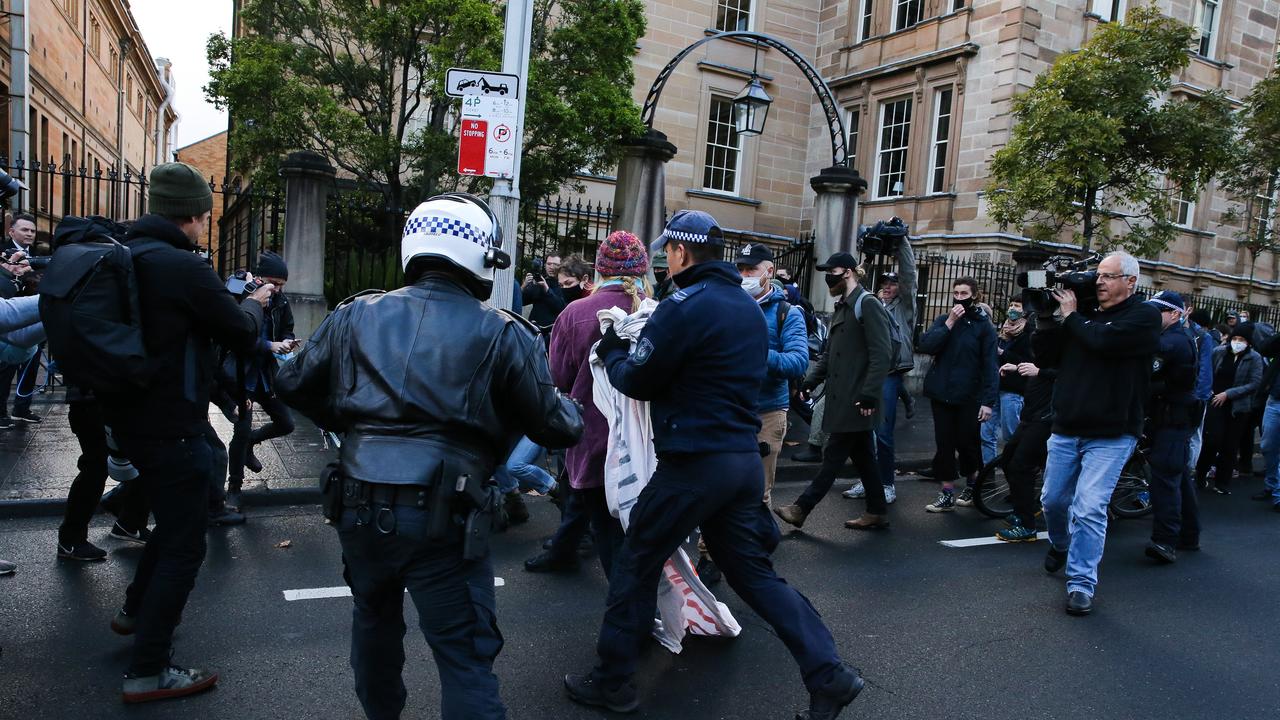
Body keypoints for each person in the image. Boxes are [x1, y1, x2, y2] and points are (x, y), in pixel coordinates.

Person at [277, 192, 583, 720]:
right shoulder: (504, 330)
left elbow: (293, 381)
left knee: (373, 624)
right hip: (445, 515)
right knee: (464, 656)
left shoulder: (354, 314)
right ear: (483, 254)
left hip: (358, 505)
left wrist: (353, 422)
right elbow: (557, 425)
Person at [564, 210, 863, 719]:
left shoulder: (683, 305)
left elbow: (638, 379)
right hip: (740, 462)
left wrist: (612, 351)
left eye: (668, 254)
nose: (664, 262)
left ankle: (612, 681)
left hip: (693, 465)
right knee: (754, 575)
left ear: (681, 253)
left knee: (635, 562)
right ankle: (829, 675)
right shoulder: (746, 308)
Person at [96, 162, 273, 702]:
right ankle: (151, 667)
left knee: (168, 526)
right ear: (195, 215)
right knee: (183, 544)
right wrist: (252, 303)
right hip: (174, 420)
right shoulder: (182, 266)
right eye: (204, 218)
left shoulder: (129, 253)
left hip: (133, 416)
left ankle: (133, 614)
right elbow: (239, 331)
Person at [1031, 251, 1161, 616]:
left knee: (1089, 507)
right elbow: (1047, 357)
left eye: (1107, 275)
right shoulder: (1083, 317)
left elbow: (1102, 342)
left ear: (1130, 282)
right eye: (1097, 275)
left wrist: (1072, 317)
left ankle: (1081, 583)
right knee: (1053, 501)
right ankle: (1060, 544)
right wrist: (1045, 319)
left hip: (1113, 432)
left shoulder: (1144, 316)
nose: (1098, 281)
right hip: (1068, 426)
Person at [525, 231, 648, 576]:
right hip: (645, 440)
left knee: (608, 533)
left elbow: (559, 377)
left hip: (591, 434)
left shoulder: (576, 312)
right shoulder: (655, 311)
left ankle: (627, 617)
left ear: (599, 269)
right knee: (632, 528)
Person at [698, 242, 807, 580]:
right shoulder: (727, 306)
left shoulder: (788, 313)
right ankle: (709, 554)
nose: (744, 276)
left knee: (755, 491)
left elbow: (798, 360)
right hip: (727, 411)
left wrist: (756, 355)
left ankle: (748, 552)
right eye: (741, 270)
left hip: (766, 414)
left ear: (769, 272)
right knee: (716, 486)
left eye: (751, 270)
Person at [776, 252, 893, 531]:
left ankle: (801, 508)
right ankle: (876, 510)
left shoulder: (868, 304)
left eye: (834, 271)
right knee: (864, 458)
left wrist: (869, 394)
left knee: (833, 456)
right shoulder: (843, 306)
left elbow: (882, 354)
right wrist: (809, 382)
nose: (829, 276)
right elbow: (829, 355)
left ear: (849, 272)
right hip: (842, 396)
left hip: (856, 399)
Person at [224, 251, 298, 513]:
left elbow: (287, 326)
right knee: (240, 429)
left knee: (286, 422)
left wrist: (287, 341)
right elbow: (237, 336)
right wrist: (271, 345)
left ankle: (250, 444)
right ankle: (234, 489)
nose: (276, 289)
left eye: (281, 285)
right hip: (242, 374)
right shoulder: (241, 294)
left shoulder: (281, 301)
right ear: (258, 277)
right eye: (272, 283)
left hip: (266, 374)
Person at [844, 238, 916, 505]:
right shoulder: (871, 302)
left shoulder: (906, 307)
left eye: (892, 284)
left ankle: (886, 483)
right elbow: (853, 283)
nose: (887, 287)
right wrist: (868, 259)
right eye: (884, 283)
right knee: (864, 431)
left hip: (890, 373)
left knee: (883, 433)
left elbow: (909, 276)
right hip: (868, 371)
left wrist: (903, 245)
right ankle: (868, 479)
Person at [919, 278, 998, 512]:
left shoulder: (984, 327)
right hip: (942, 392)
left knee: (967, 444)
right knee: (944, 445)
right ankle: (946, 492)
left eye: (964, 293)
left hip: (969, 396)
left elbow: (990, 366)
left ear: (974, 295)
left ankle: (973, 485)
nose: (959, 297)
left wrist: (988, 402)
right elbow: (927, 346)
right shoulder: (944, 320)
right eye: (956, 292)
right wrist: (950, 323)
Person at [1143, 291, 1202, 563]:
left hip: (1172, 418)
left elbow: (1150, 376)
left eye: (1158, 312)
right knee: (1177, 477)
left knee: (1165, 479)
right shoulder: (1176, 338)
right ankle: (1188, 535)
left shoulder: (1173, 342)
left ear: (1175, 314)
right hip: (1172, 416)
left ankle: (1165, 541)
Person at [1195, 323, 1263, 495]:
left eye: (1241, 340)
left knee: (1230, 445)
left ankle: (1222, 482)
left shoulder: (1254, 358)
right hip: (1215, 402)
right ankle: (1201, 474)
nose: (1237, 342)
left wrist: (1229, 394)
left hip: (1238, 407)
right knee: (1212, 440)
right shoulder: (1219, 352)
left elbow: (1254, 383)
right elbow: (1206, 371)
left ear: (1248, 342)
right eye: (1235, 339)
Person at [0, 213, 44, 426]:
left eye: (32, 230)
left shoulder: (41, 255)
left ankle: (22, 408)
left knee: (30, 367)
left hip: (33, 322)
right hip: (8, 322)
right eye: (25, 229)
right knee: (5, 370)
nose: (29, 234)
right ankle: (0, 412)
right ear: (11, 232)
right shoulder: (2, 253)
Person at [981, 299, 1032, 464]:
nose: (1012, 308)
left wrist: (1002, 353)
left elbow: (1028, 362)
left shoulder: (1028, 334)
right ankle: (987, 477)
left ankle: (1015, 470)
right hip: (995, 389)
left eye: (1017, 305)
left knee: (1011, 435)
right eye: (1011, 305)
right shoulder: (1002, 332)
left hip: (1013, 391)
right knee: (986, 434)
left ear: (1024, 311)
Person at [522, 252, 565, 341]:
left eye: (555, 264)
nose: (551, 267)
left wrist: (546, 289)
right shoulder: (539, 281)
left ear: (561, 266)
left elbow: (561, 307)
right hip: (533, 331)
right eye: (549, 264)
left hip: (553, 333)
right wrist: (524, 285)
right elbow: (522, 301)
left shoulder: (565, 284)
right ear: (545, 265)